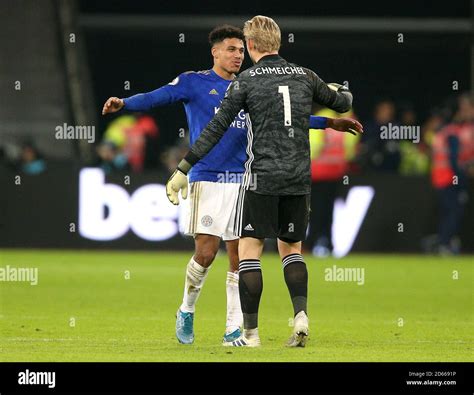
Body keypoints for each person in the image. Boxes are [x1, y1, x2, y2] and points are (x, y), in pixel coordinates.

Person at [166, 16, 362, 347]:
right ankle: (300, 315)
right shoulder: (304, 75)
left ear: (252, 46)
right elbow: (344, 102)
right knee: (292, 250)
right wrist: (338, 96)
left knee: (248, 252)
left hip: (260, 177)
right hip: (299, 177)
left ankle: (250, 333)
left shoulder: (246, 81)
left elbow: (216, 128)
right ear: (279, 44)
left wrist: (183, 167)